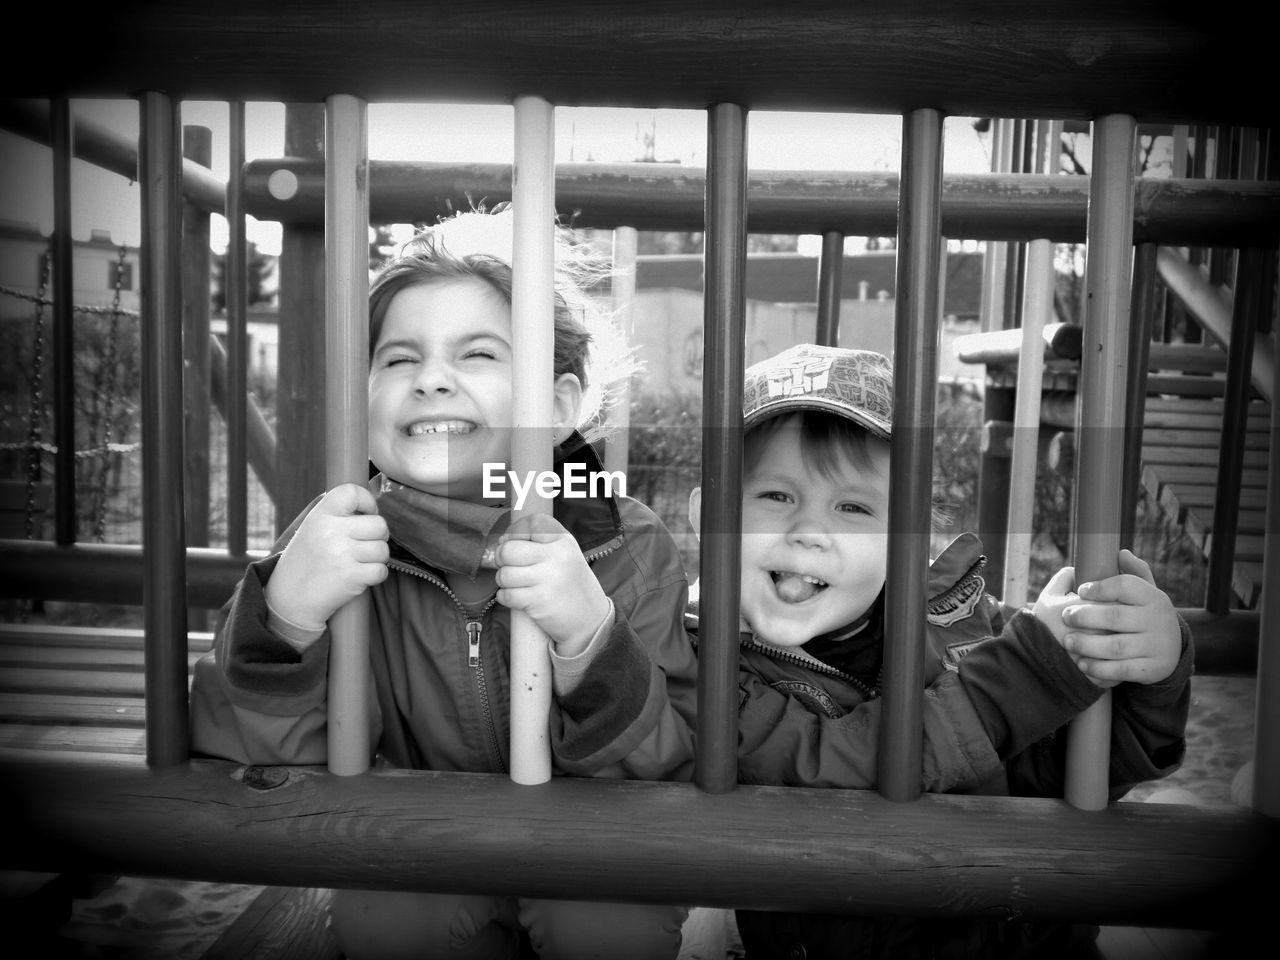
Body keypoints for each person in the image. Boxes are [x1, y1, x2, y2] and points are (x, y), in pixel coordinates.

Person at [189, 207, 697, 960]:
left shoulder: (626, 546)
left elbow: (672, 766)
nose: (430, 380)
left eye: (478, 354)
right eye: (397, 360)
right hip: (423, 840)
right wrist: (286, 618)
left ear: (556, 407)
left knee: (605, 922)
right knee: (393, 918)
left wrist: (593, 643)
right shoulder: (336, 542)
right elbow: (244, 759)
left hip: (591, 843)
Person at [685, 343, 1193, 959]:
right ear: (707, 511)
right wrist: (1026, 675)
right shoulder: (703, 663)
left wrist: (1141, 673)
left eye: (852, 507)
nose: (809, 533)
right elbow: (816, 768)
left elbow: (1071, 773)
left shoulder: (968, 626)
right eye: (776, 496)